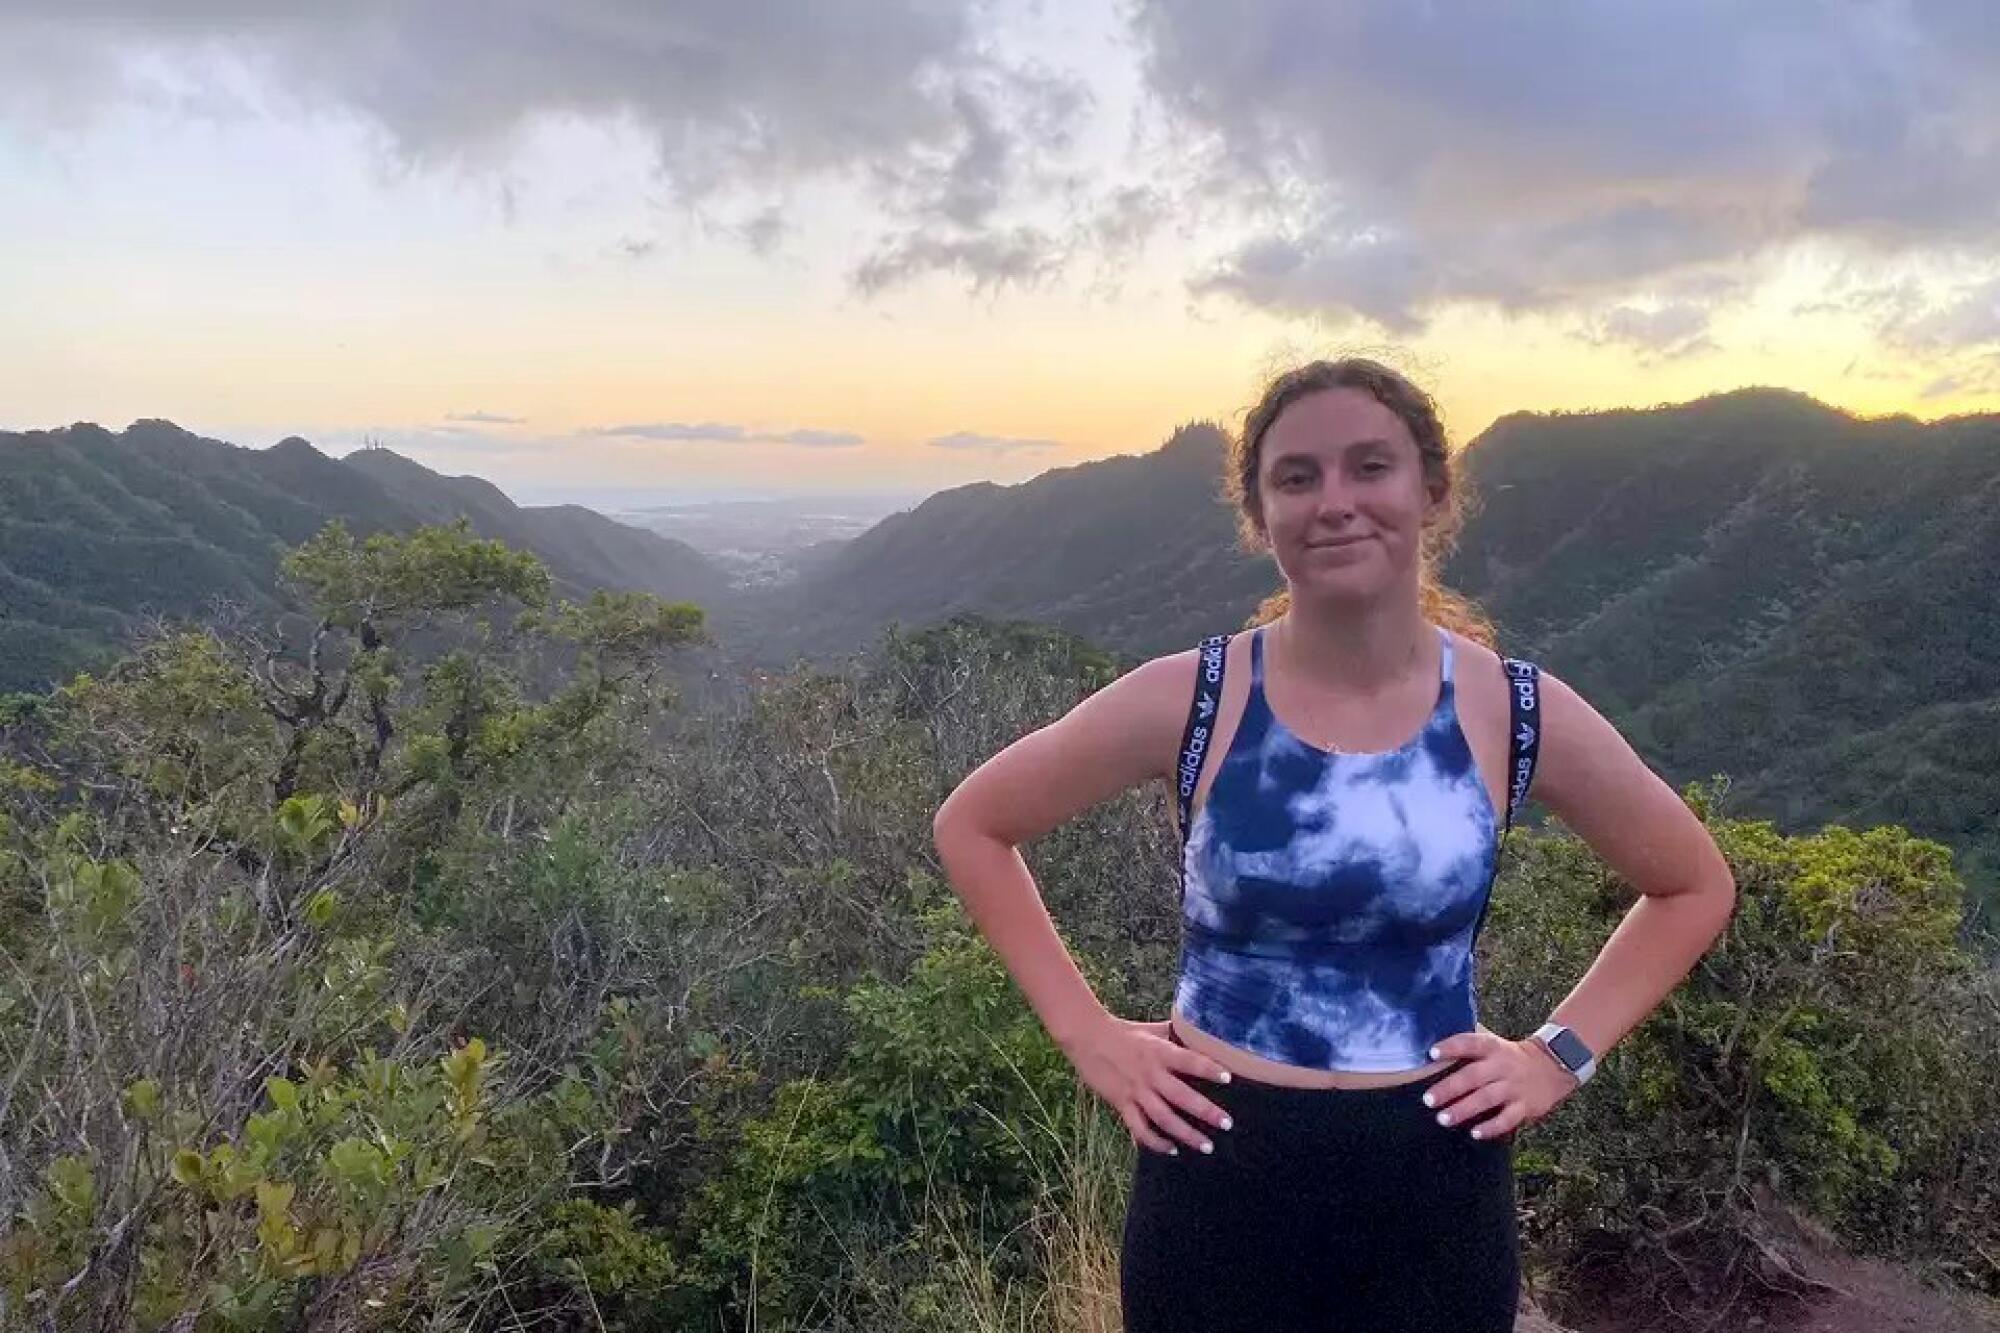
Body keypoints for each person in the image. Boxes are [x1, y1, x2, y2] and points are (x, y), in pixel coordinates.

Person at [930, 358, 1737, 1331]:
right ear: (1258, 511)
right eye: (1296, 477)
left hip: (1430, 1186)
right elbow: (972, 824)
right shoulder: (1193, 699)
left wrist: (1555, 1055)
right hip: (1214, 1177)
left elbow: (1690, 884)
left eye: (1369, 466)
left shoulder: (1512, 711)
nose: (1334, 502)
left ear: (1429, 491)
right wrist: (1085, 1033)